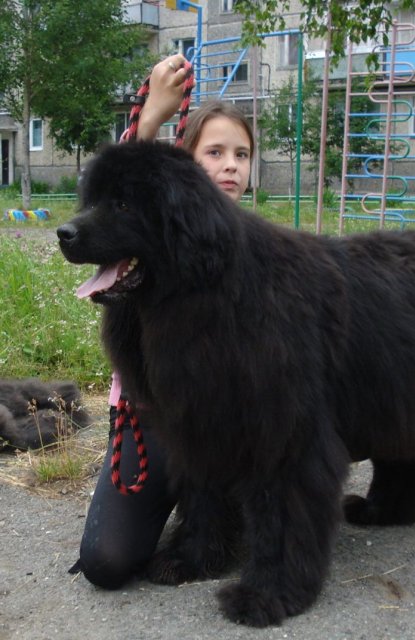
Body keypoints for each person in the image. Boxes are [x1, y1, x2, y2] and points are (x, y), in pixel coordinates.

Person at [72, 54, 254, 589]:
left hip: (227, 431)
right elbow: (116, 188)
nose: (229, 166)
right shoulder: (146, 229)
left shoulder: (258, 248)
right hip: (152, 422)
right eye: (214, 152)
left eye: (241, 154)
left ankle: (223, 518)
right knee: (108, 561)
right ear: (180, 165)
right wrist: (150, 118)